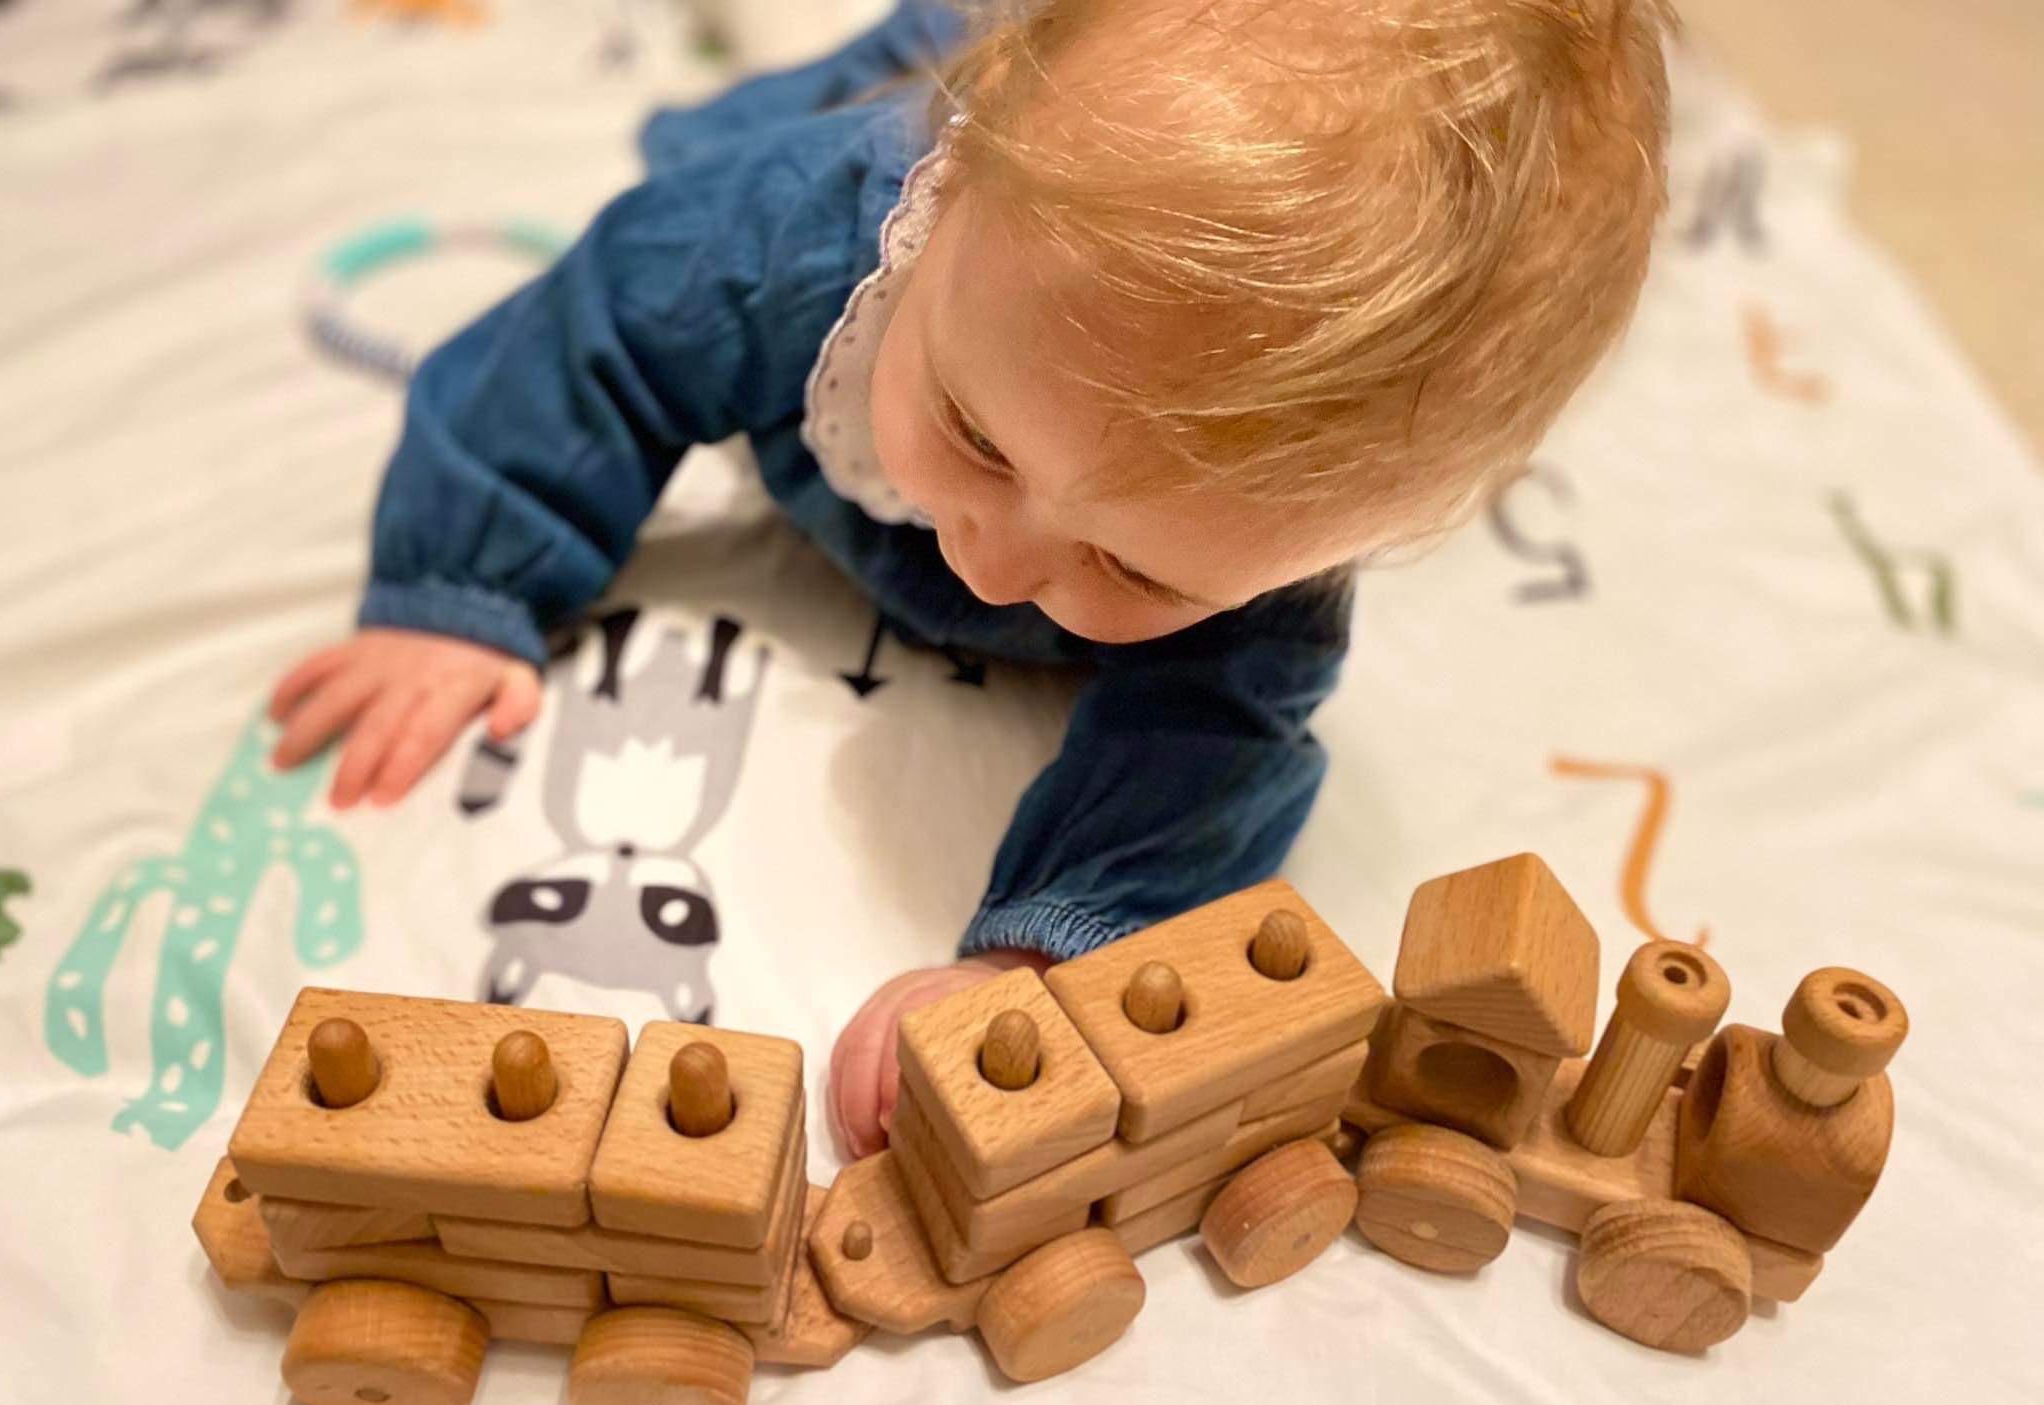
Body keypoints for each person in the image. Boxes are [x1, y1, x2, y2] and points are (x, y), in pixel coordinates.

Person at [265, 0, 1675, 1157]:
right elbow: (592, 332)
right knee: (721, 171)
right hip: (879, 124)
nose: (994, 563)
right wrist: (461, 583)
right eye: (975, 435)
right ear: (947, 212)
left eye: (1130, 561)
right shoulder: (803, 242)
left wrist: (1046, 960)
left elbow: (1213, 746)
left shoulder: (1268, 566)